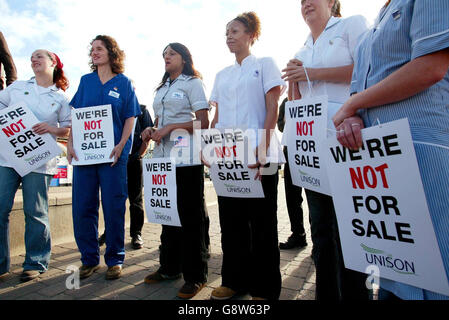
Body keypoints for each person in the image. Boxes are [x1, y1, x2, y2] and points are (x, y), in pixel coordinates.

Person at [333, 0, 449, 300]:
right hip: (380, 155)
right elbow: (359, 91)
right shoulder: (378, 19)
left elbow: (431, 67)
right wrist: (353, 119)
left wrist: (352, 105)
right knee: (393, 270)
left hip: (420, 147)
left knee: (435, 270)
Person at [282, 0, 370, 300]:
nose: (306, 3)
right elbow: (295, 102)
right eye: (301, 1)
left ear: (332, 2)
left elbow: (367, 69)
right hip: (312, 149)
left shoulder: (351, 24)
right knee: (320, 229)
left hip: (347, 140)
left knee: (347, 231)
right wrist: (295, 78)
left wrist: (311, 73)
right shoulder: (302, 48)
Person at [209, 12, 284, 300]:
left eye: (235, 31)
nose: (229, 36)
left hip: (260, 155)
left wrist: (263, 146)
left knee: (263, 223)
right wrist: (209, 148)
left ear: (252, 34)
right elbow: (217, 118)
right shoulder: (222, 74)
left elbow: (272, 107)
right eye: (226, 32)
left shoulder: (265, 65)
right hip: (228, 155)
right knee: (231, 221)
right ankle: (234, 281)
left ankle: (265, 288)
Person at [67, 35, 141, 281]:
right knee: (83, 207)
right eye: (92, 50)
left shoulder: (124, 82)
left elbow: (131, 116)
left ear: (112, 52)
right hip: (85, 157)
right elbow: (75, 115)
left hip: (113, 156)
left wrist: (122, 144)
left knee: (113, 206)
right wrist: (70, 143)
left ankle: (115, 259)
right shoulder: (85, 81)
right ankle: (89, 259)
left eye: (99, 49)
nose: (94, 53)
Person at [141, 43, 209, 299]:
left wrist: (171, 129)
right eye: (164, 55)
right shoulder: (161, 88)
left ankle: (196, 276)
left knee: (191, 219)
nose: (166, 57)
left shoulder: (193, 83)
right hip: (162, 159)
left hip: (187, 158)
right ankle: (169, 267)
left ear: (184, 58)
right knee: (167, 216)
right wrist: (151, 130)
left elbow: (203, 122)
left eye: (171, 54)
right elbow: (159, 121)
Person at [0, 49, 71, 282]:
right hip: (7, 159)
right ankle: (1, 264)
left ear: (53, 63)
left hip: (38, 161)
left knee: (35, 211)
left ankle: (35, 262)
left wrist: (50, 128)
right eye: (32, 56)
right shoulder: (17, 87)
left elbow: (68, 128)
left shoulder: (60, 97)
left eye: (40, 56)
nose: (34, 59)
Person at [98, 102, 153, 250]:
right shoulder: (112, 108)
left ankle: (136, 234)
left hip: (134, 160)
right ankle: (109, 232)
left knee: (135, 199)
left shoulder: (142, 110)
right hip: (114, 160)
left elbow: (148, 136)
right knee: (113, 199)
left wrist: (138, 155)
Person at [277, 97, 308, 250]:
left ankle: (321, 242)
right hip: (290, 151)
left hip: (311, 150)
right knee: (292, 197)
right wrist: (287, 121)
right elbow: (280, 126)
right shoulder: (286, 101)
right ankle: (298, 234)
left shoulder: (313, 94)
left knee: (315, 198)